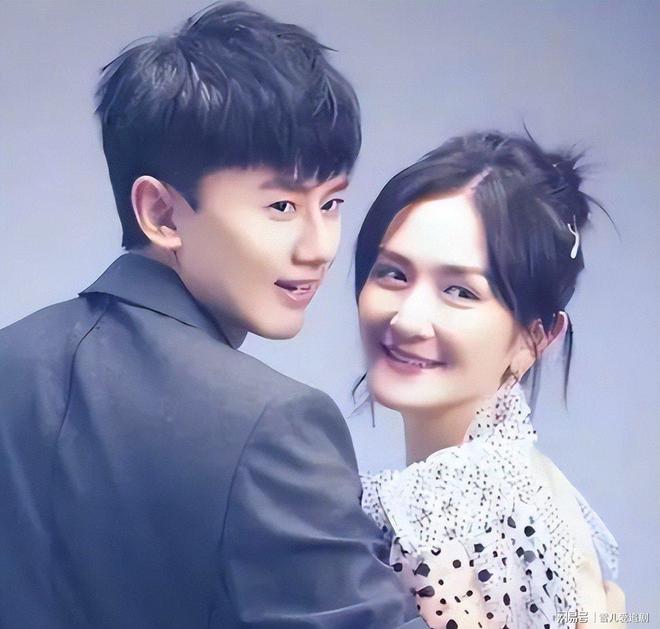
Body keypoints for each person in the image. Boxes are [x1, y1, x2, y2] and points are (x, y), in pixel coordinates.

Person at [0, 3, 425, 627]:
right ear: (161, 213)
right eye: (281, 206)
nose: (319, 248)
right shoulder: (272, 425)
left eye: (331, 203)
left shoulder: (10, 359)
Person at [354, 131, 620, 628]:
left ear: (535, 339)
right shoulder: (531, 487)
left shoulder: (445, 510)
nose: (407, 320)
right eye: (393, 274)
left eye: (460, 291)